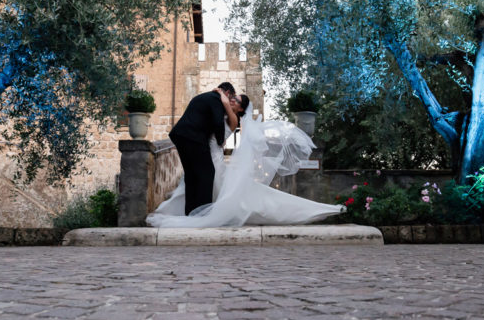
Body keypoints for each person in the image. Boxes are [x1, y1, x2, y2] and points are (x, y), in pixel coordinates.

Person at [148, 97, 345, 228]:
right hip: (209, 160)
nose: (231, 100)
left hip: (214, 162)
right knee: (192, 185)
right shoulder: (223, 116)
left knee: (243, 200)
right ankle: (182, 211)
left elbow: (224, 108)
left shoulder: (232, 118)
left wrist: (221, 95)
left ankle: (314, 211)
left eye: (236, 100)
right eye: (232, 98)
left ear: (241, 108)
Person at [167, 82, 239, 215]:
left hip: (180, 136)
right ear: (227, 93)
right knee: (207, 173)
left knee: (191, 175)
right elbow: (218, 121)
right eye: (231, 98)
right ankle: (202, 213)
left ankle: (190, 212)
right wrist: (220, 141)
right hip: (193, 138)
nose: (230, 101)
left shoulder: (205, 97)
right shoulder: (216, 99)